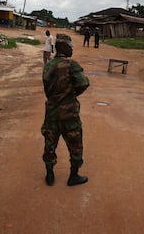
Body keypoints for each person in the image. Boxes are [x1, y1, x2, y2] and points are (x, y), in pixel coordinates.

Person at [41, 33, 90, 186]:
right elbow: (83, 83)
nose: (72, 50)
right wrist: (72, 94)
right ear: (65, 47)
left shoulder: (48, 65)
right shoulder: (71, 64)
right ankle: (73, 176)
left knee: (50, 144)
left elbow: (47, 89)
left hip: (52, 113)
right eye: (71, 47)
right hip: (69, 114)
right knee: (75, 144)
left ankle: (50, 175)